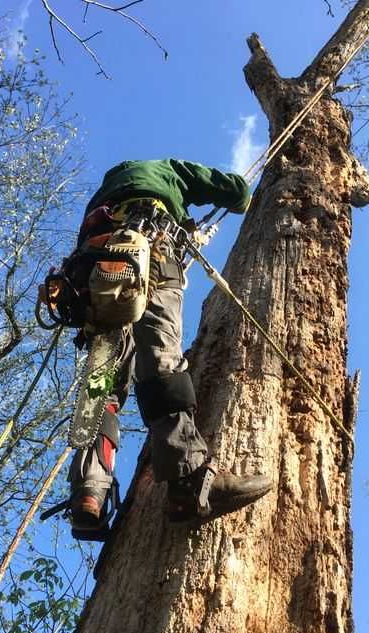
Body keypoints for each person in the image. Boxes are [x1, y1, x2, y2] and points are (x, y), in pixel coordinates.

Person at [63, 159, 271, 535]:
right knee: (161, 360)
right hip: (150, 250)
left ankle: (88, 493)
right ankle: (188, 480)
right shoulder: (166, 170)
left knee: (103, 383)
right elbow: (237, 193)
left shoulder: (105, 193)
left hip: (94, 273)